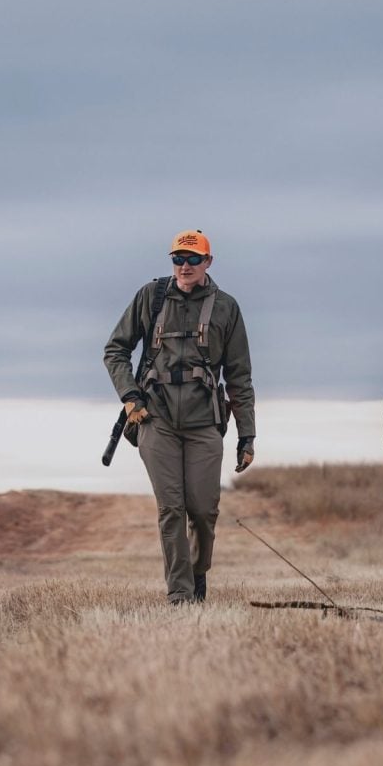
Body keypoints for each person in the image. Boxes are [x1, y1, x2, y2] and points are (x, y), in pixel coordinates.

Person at [104, 230, 256, 605]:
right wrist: (130, 396)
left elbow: (239, 377)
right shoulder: (151, 297)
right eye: (178, 259)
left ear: (208, 262)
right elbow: (115, 350)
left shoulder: (226, 307)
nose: (184, 267)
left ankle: (197, 573)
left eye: (192, 260)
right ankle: (180, 595)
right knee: (170, 509)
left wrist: (247, 435)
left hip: (205, 422)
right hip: (156, 420)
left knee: (203, 511)